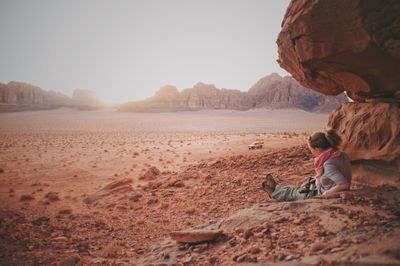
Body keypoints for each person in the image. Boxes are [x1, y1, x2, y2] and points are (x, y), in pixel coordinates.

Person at [262, 128, 352, 201]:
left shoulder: (328, 163)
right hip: (321, 186)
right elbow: (327, 175)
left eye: (311, 150)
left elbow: (344, 184)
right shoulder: (337, 154)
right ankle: (276, 188)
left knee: (294, 192)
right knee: (299, 187)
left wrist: (325, 195)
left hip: (320, 193)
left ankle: (274, 193)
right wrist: (311, 181)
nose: (312, 152)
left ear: (317, 149)